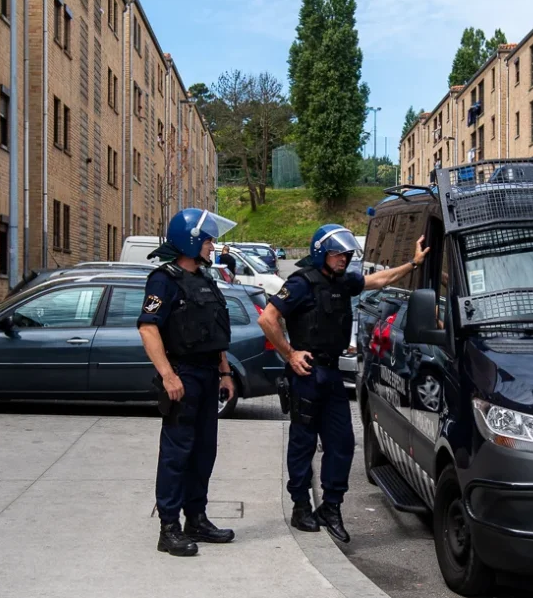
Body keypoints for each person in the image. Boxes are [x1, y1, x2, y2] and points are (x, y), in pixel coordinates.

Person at [258, 224, 429, 543]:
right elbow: (267, 318)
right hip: (306, 375)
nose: (344, 259)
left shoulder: (343, 282)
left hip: (332, 374)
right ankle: (301, 507)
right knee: (303, 444)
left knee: (342, 443)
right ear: (321, 252)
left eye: (347, 254)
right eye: (338, 253)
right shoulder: (301, 283)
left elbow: (380, 280)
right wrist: (290, 354)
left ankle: (331, 507)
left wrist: (413, 263)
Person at [137, 208, 239, 557]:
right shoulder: (163, 280)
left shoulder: (207, 279)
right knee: (176, 454)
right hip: (183, 375)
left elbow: (215, 333)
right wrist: (168, 375)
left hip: (209, 374)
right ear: (191, 241)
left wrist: (225, 372)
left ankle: (196, 518)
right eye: (208, 240)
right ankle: (169, 529)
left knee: (204, 451)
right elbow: (148, 328)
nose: (213, 246)